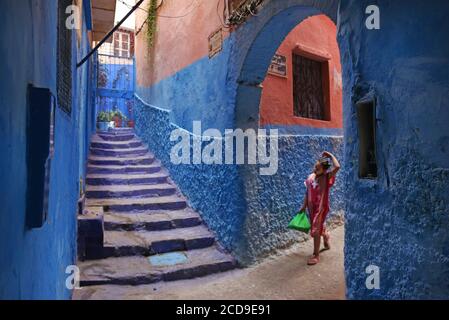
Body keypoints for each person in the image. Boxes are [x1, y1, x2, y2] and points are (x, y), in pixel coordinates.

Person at [299, 151, 340, 265]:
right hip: (311, 208)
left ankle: (316, 254)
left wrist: (330, 155)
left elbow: (337, 167)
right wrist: (304, 206)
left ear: (325, 170)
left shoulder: (327, 177)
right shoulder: (311, 177)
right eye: (315, 167)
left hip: (321, 208)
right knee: (317, 227)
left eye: (318, 168)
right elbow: (307, 193)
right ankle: (326, 235)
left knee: (315, 230)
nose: (315, 170)